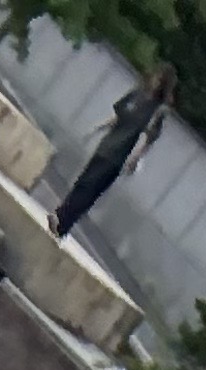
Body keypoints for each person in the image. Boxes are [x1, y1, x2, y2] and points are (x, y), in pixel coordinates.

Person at [50, 65, 175, 248]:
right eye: (156, 77)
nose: (155, 82)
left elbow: (148, 139)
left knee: (90, 190)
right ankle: (60, 217)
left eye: (160, 81)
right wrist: (97, 128)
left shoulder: (157, 111)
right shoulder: (136, 95)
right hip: (107, 146)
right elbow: (117, 117)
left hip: (119, 157)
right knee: (83, 182)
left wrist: (135, 158)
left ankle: (62, 221)